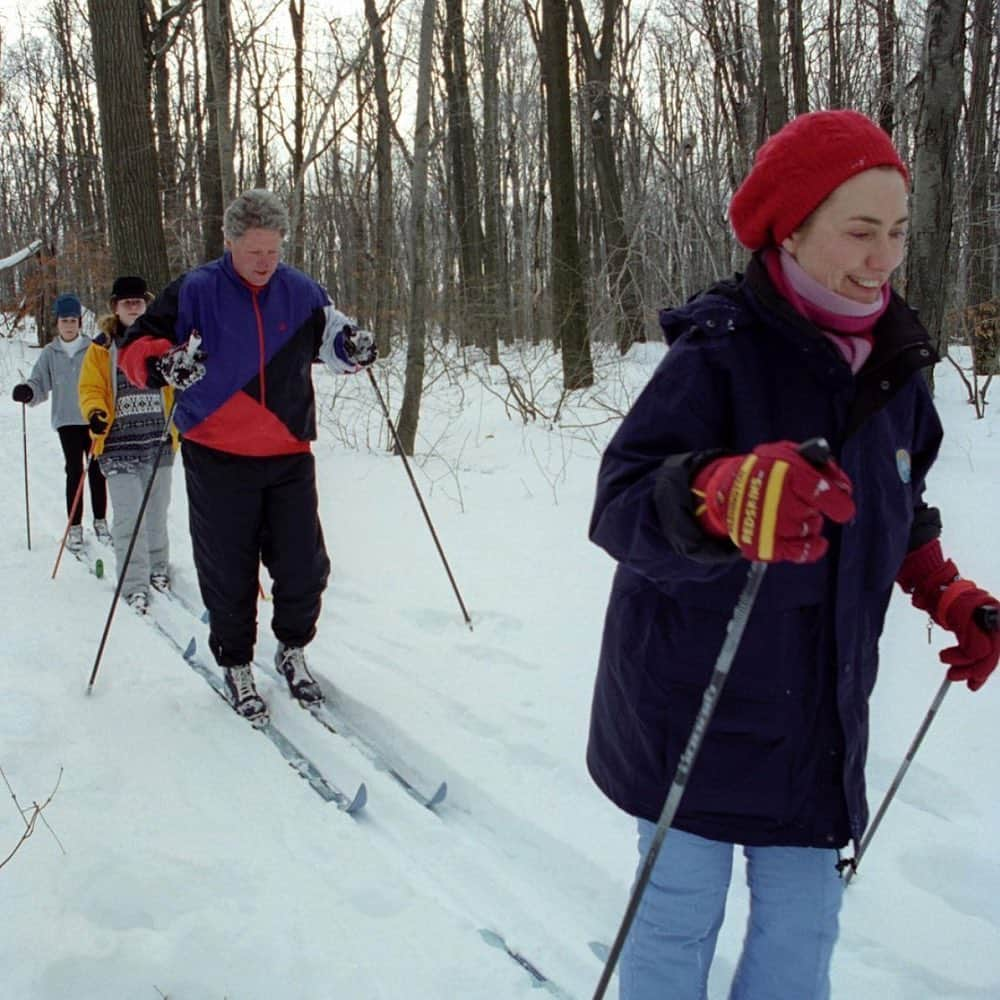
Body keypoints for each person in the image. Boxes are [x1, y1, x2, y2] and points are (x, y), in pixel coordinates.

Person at [586, 109, 1000, 1000]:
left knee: (806, 927)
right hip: (689, 705)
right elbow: (622, 504)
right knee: (679, 911)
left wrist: (945, 590)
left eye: (896, 231)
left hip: (816, 714)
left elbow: (895, 509)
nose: (882, 257)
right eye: (859, 231)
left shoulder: (896, 365)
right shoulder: (718, 353)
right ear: (794, 228)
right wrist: (715, 494)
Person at [117, 189, 376, 726]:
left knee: (305, 567)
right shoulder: (196, 289)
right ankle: (235, 664)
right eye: (254, 250)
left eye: (273, 251)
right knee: (228, 572)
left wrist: (353, 348)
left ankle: (291, 648)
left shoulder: (302, 291)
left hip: (287, 453)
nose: (265, 262)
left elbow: (333, 342)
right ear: (230, 242)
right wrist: (166, 366)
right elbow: (135, 348)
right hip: (216, 453)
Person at [78, 276, 179, 614]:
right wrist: (95, 413)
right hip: (118, 446)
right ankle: (133, 584)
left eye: (138, 301)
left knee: (156, 513)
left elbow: (178, 382)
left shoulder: (162, 341)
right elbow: (90, 387)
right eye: (126, 302)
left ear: (147, 304)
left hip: (158, 441)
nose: (133, 306)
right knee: (127, 518)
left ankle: (158, 568)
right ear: (115, 307)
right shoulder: (102, 346)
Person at [12, 293, 109, 553]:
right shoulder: (50, 353)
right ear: (57, 323)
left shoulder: (93, 349)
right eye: (64, 320)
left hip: (94, 419)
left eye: (73, 320)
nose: (68, 325)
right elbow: (39, 382)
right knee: (74, 471)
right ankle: (74, 527)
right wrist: (27, 391)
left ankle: (101, 522)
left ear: (80, 322)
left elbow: (106, 381)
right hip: (66, 420)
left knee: (98, 471)